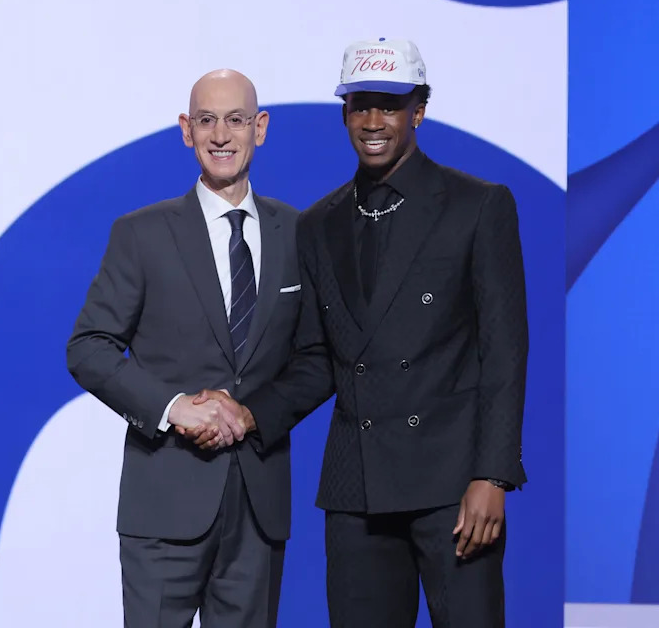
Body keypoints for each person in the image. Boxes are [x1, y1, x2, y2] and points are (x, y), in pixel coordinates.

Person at [187, 39, 529, 627]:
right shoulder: (320, 223)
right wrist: (249, 415)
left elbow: (505, 350)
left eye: (390, 105)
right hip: (355, 488)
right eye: (360, 105)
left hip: (452, 485)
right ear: (344, 113)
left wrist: (492, 475)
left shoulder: (477, 206)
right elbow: (320, 357)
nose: (373, 121)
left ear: (418, 111)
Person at [66, 69, 303, 628]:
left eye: (237, 119)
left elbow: (315, 359)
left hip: (257, 506)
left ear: (260, 128)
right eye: (206, 120)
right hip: (164, 501)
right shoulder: (142, 233)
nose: (221, 134)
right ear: (186, 130)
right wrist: (174, 408)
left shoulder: (299, 232)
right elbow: (88, 348)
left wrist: (252, 415)